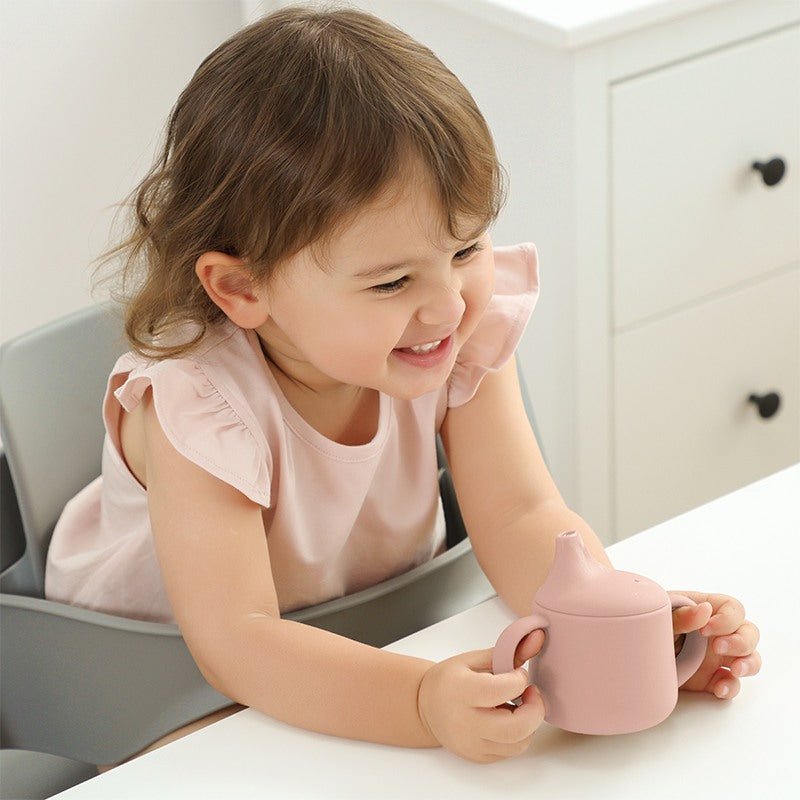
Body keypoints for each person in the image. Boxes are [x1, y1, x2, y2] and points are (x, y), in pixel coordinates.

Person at [44, 4, 761, 765]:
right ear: (242, 288)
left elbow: (522, 514)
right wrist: (421, 702)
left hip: (364, 646)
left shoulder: (450, 336)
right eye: (391, 282)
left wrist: (626, 639)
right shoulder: (197, 408)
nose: (447, 305)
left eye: (465, 249)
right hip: (156, 692)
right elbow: (237, 644)